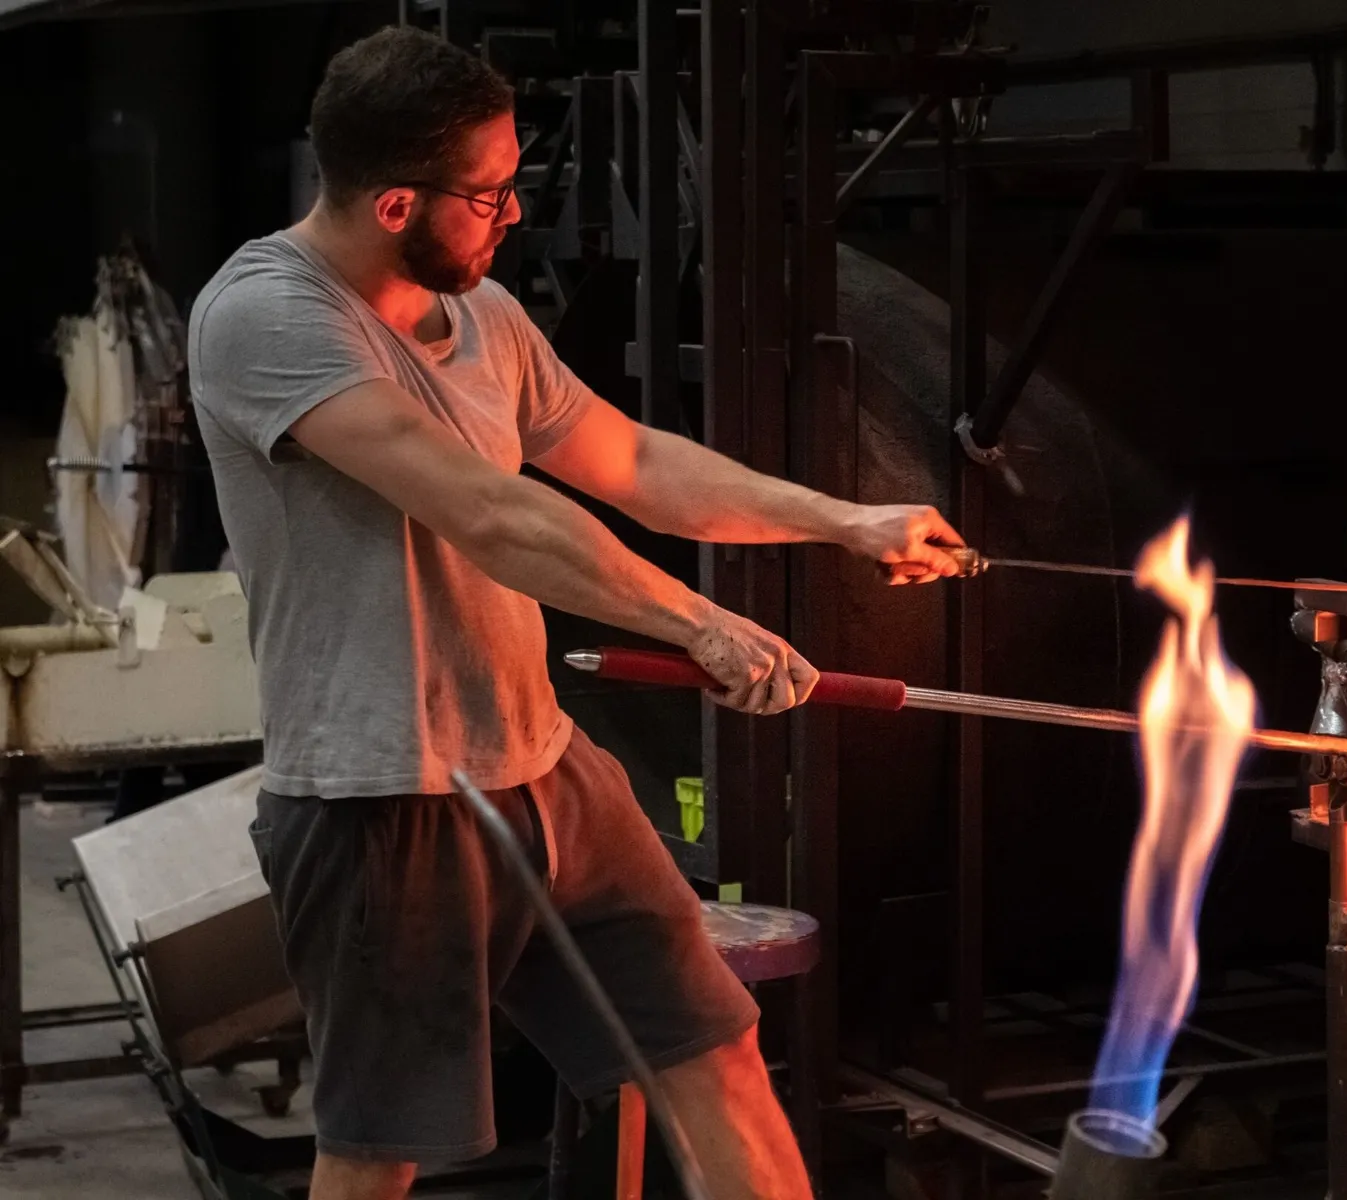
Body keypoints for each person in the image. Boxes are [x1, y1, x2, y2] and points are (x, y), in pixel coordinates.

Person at [188, 26, 963, 1200]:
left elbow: (637, 462)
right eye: (490, 195)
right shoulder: (268, 322)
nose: (512, 218)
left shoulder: (485, 315)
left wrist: (844, 519)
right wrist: (698, 625)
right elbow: (493, 517)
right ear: (396, 202)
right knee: (375, 1150)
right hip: (383, 797)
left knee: (713, 1047)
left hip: (546, 768)